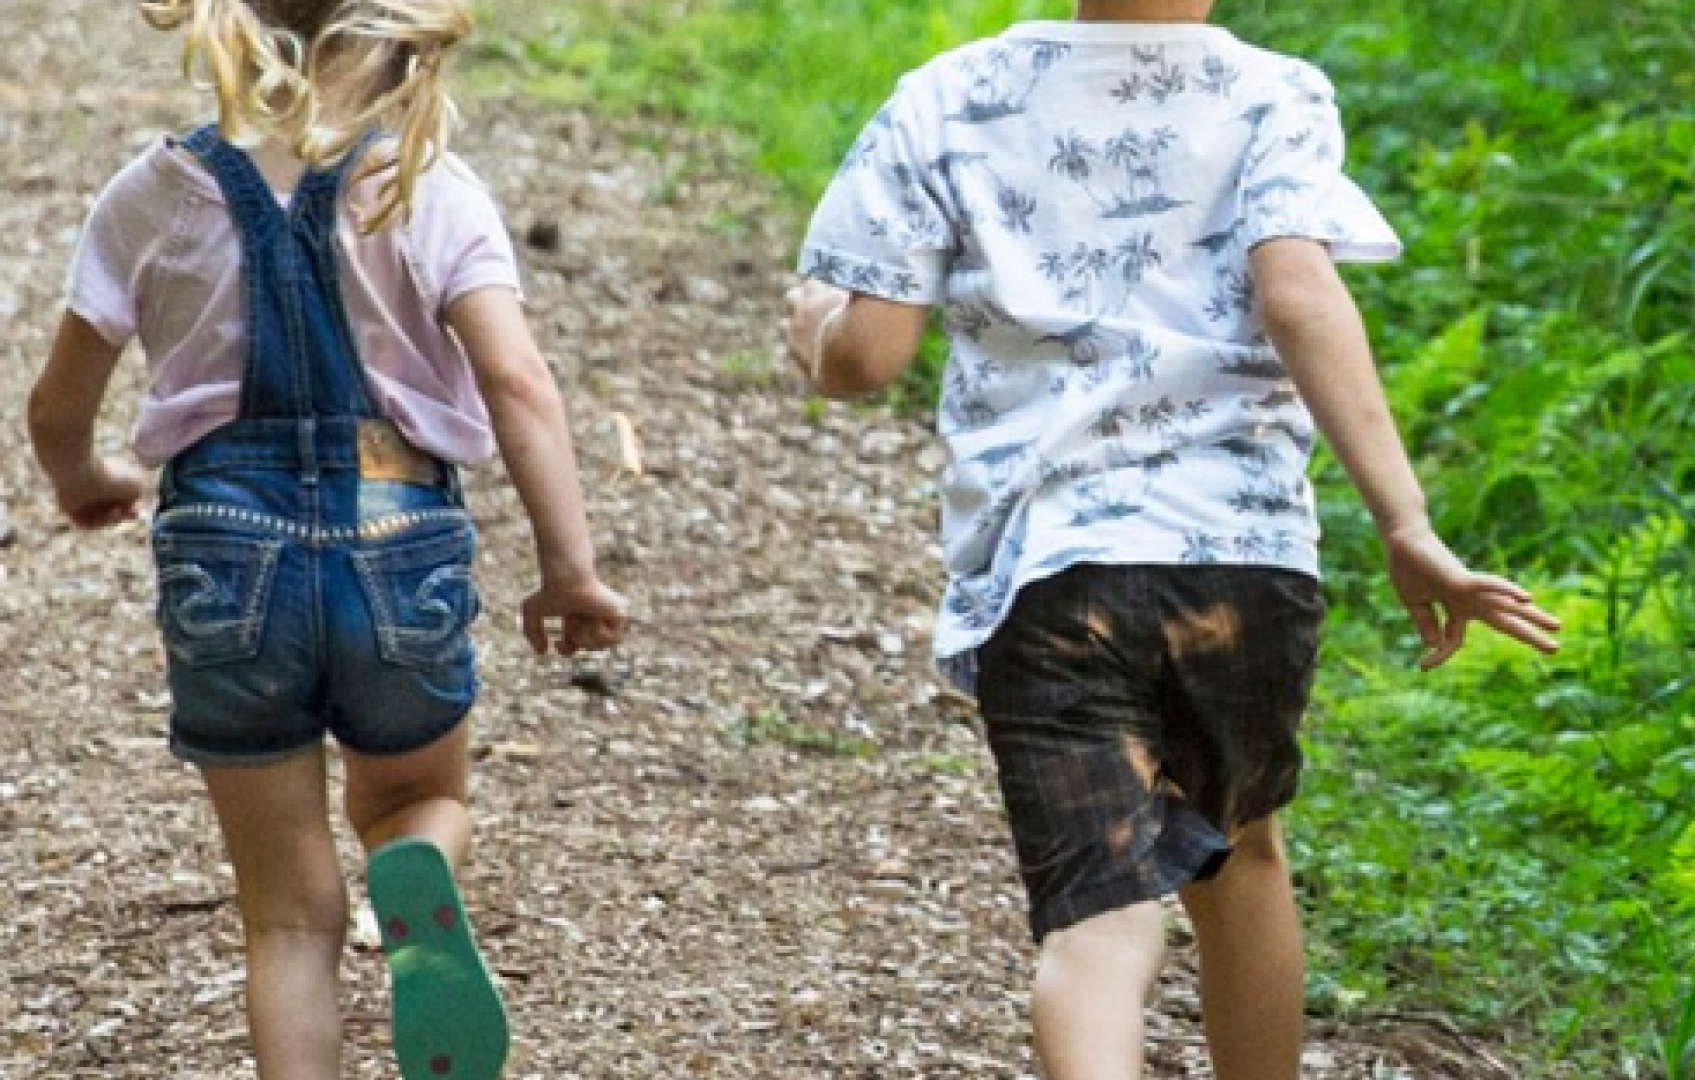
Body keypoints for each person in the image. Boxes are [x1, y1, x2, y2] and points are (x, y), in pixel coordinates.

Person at [780, 1, 1562, 1077]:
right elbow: (1299, 293)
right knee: (1243, 859)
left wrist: (814, 329)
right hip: (1242, 564)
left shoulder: (947, 96)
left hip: (1057, 574)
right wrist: (1404, 520)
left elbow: (866, 356)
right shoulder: (1274, 92)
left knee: (1100, 916)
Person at [27, 2, 627, 1079]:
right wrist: (568, 567)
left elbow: (58, 406)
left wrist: (87, 478)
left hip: (225, 547)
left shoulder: (154, 192)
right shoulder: (428, 187)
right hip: (398, 534)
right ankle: (417, 872)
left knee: (289, 918)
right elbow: (518, 382)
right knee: (415, 796)